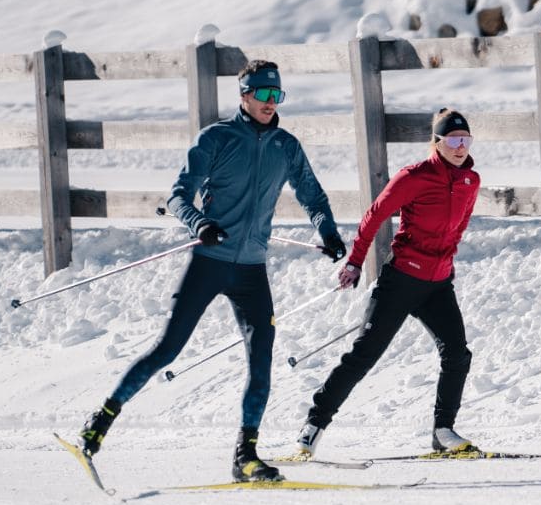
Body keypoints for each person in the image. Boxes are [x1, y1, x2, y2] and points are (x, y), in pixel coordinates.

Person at [78, 60, 346, 482]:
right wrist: (199, 223)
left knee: (261, 361)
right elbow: (179, 196)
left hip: (252, 270)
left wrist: (328, 232)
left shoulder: (286, 145)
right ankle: (101, 420)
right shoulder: (217, 138)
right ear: (243, 95)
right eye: (263, 95)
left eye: (277, 96)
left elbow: (312, 194)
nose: (270, 103)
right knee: (167, 349)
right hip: (210, 263)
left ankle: (247, 455)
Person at [295, 108, 480, 457]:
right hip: (403, 279)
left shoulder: (471, 181)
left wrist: (446, 265)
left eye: (466, 140)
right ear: (437, 143)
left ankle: (443, 430)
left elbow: (458, 228)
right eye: (453, 140)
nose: (460, 147)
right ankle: (314, 423)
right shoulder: (414, 177)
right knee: (365, 354)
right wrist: (354, 262)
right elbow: (374, 216)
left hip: (438, 284)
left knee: (457, 353)